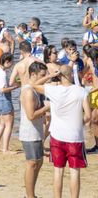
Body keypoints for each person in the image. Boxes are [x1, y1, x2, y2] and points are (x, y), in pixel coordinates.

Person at [33, 65, 91, 198]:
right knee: (74, 172)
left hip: (57, 136)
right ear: (71, 75)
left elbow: (34, 84)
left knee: (58, 171)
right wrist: (80, 124)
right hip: (75, 137)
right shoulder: (81, 91)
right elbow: (88, 116)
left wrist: (50, 76)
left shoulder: (53, 90)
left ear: (60, 75)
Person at [19, 62, 50, 198]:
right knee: (32, 163)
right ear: (33, 74)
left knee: (39, 162)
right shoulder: (28, 91)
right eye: (43, 75)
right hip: (29, 133)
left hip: (36, 132)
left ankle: (31, 194)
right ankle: (29, 196)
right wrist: (47, 108)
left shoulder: (35, 89)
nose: (45, 78)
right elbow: (31, 115)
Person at [0, 53, 19, 153]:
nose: (12, 64)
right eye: (11, 62)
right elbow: (3, 89)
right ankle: (5, 149)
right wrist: (15, 87)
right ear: (6, 62)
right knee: (9, 124)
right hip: (3, 98)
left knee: (2, 123)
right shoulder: (2, 73)